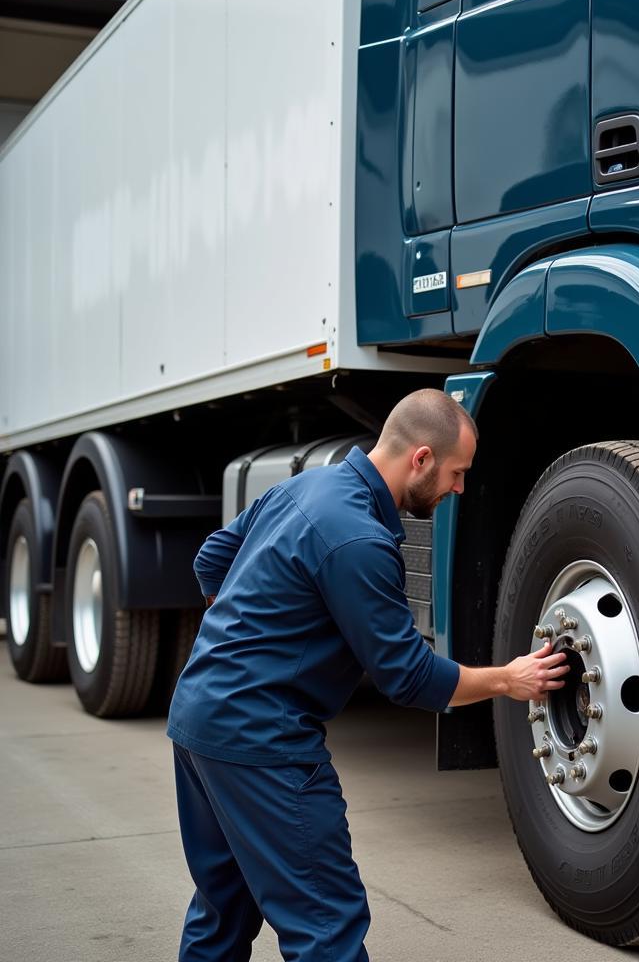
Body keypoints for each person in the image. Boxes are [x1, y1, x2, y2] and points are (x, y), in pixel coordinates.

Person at [167, 388, 568, 961]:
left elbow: (211, 557)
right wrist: (508, 679)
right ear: (421, 459)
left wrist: (240, 644)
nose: (460, 489)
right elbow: (408, 677)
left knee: (222, 909)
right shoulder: (359, 539)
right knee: (326, 923)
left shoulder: (306, 486)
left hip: (197, 719)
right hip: (261, 739)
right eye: (457, 473)